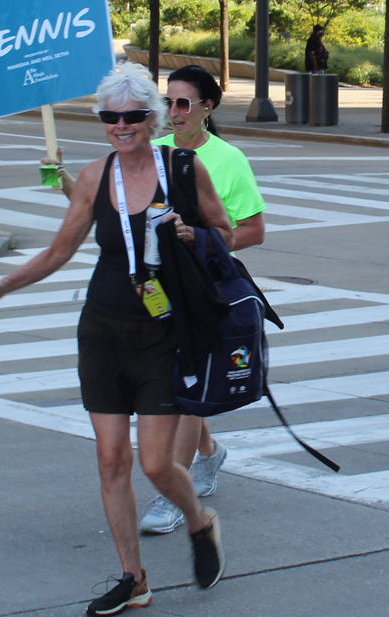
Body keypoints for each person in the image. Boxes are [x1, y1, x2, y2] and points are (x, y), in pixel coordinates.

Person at [0, 62, 234, 616]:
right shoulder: (95, 176)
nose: (121, 125)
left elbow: (226, 233)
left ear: (152, 117)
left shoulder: (182, 169)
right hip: (102, 332)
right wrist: (3, 284)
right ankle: (133, 579)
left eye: (133, 115)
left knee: (157, 466)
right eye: (110, 117)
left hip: (164, 336)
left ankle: (199, 521)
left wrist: (192, 233)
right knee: (111, 460)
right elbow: (59, 250)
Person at [138, 64, 266, 535]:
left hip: (205, 287)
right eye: (167, 102)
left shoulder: (228, 160)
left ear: (207, 108)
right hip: (155, 288)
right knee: (177, 384)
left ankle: (175, 493)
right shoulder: (154, 152)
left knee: (188, 388)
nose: (172, 113)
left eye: (183, 103)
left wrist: (202, 241)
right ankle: (209, 453)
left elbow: (253, 230)